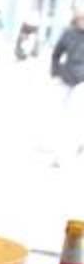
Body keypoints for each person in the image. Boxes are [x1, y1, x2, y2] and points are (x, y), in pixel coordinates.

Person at [50, 11, 84, 166]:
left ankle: (62, 155)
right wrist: (56, 71)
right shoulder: (68, 34)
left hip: (81, 81)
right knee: (62, 115)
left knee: (73, 116)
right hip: (66, 77)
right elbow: (56, 54)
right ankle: (63, 148)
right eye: (81, 18)